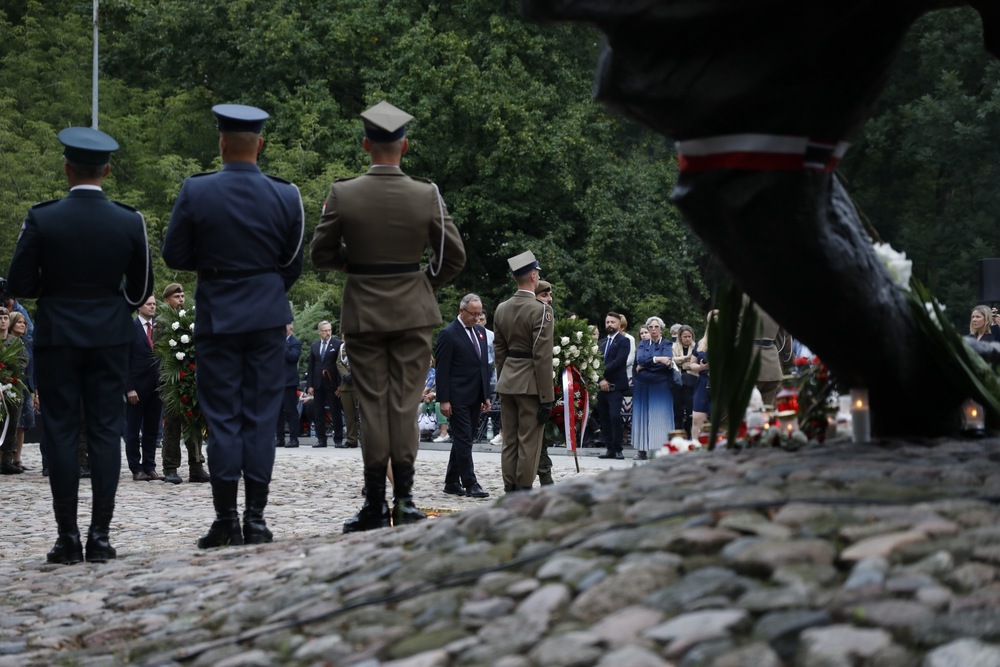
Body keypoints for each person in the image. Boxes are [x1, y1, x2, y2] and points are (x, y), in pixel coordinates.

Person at [311, 100, 465, 532]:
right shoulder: (426, 193)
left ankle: (376, 504)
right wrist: (419, 283)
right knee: (404, 404)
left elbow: (321, 253)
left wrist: (355, 268)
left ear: (366, 145)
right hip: (413, 312)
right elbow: (453, 256)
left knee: (374, 408)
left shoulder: (344, 192)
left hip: (363, 311)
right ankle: (407, 500)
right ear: (405, 145)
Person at [8, 126, 153, 564]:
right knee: (108, 431)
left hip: (58, 336)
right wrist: (109, 303)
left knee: (61, 432)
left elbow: (18, 283)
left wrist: (55, 290)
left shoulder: (43, 217)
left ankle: (67, 538)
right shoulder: (129, 220)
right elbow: (141, 286)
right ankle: (101, 537)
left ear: (67, 168)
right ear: (106, 170)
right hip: (109, 336)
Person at [163, 104, 305, 549]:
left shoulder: (197, 190)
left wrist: (217, 269)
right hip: (266, 317)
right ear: (260, 144)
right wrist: (262, 284)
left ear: (221, 142)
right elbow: (292, 262)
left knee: (223, 418)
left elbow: (174, 255)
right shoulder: (286, 195)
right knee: (260, 419)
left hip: (218, 315)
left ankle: (225, 518)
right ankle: (256, 520)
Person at [494, 251, 554, 492]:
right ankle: (523, 489)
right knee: (529, 441)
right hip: (530, 384)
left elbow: (499, 350)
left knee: (510, 440)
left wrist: (504, 377)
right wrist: (546, 397)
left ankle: (510, 487)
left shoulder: (501, 308)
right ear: (532, 275)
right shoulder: (541, 310)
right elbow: (542, 356)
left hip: (507, 381)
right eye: (537, 273)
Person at [435, 294, 491, 499]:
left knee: (462, 439)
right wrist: (444, 399)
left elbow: (483, 366)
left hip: (476, 396)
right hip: (457, 397)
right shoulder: (448, 334)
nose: (477, 318)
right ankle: (470, 482)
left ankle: (451, 481)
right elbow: (442, 369)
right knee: (464, 439)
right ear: (462, 311)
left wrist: (486, 395)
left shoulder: (481, 332)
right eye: (473, 314)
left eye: (479, 314)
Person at [157, 283, 209, 483]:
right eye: (176, 296)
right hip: (171, 381)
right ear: (167, 299)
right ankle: (170, 467)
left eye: (182, 296)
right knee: (172, 425)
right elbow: (161, 353)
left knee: (194, 421)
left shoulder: (188, 319)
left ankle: (197, 465)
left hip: (190, 377)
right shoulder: (162, 322)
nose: (181, 299)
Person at [124, 295, 162, 482]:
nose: (152, 307)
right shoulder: (130, 328)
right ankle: (136, 467)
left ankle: (150, 465)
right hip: (137, 389)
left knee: (152, 430)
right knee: (133, 430)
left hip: (156, 388)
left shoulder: (158, 328)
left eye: (154, 304)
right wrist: (129, 388)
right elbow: (123, 361)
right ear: (139, 306)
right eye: (149, 304)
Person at [632, 316, 675, 460]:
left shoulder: (667, 343)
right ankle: (641, 451)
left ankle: (662, 451)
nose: (653, 329)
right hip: (642, 384)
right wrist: (658, 359)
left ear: (661, 329)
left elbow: (667, 362)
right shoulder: (643, 344)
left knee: (661, 416)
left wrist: (647, 365)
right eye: (650, 327)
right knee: (642, 416)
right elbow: (640, 360)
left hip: (661, 383)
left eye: (656, 327)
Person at [597, 312, 629, 460]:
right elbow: (594, 361)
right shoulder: (600, 342)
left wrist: (602, 371)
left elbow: (619, 361)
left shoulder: (624, 341)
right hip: (601, 385)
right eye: (607, 322)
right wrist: (600, 379)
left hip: (615, 385)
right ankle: (609, 448)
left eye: (612, 322)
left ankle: (618, 448)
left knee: (615, 416)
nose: (609, 324)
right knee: (604, 418)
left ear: (619, 324)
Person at [0, 311, 30, 475]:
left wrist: (7, 369)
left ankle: (7, 459)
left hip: (12, 389)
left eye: (5, 318)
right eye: (0, 319)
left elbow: (23, 361)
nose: (3, 321)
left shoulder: (15, 343)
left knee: (12, 423)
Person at [532, 279, 556, 485]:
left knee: (542, 437)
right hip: (533, 386)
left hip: (544, 386)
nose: (548, 300)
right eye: (544, 295)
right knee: (534, 437)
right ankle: (543, 478)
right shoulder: (538, 317)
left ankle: (544, 476)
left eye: (549, 296)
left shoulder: (548, 318)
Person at [306, 320, 343, 448]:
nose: (328, 333)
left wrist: (340, 385)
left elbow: (340, 366)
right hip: (318, 384)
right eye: (325, 330)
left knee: (335, 411)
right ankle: (321, 439)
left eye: (329, 330)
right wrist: (310, 385)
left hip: (332, 384)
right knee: (318, 412)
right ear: (319, 332)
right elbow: (311, 367)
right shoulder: (315, 346)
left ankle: (338, 439)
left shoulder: (338, 344)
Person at [690, 311, 717, 442]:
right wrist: (702, 367)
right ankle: (695, 448)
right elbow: (692, 365)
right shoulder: (701, 343)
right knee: (697, 418)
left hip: (721, 383)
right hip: (703, 382)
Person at [276, 322, 303, 449]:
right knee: (277, 412)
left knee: (291, 411)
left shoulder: (295, 342)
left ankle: (294, 439)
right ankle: (279, 438)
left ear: (290, 329)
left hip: (289, 383)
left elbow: (293, 357)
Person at [672, 324, 698, 438]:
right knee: (677, 410)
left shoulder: (697, 347)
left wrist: (683, 362)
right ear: (680, 337)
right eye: (685, 336)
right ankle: (677, 434)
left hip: (692, 380)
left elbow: (696, 363)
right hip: (678, 381)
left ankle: (690, 435)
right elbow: (673, 361)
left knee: (690, 410)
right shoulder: (674, 347)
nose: (687, 339)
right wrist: (687, 359)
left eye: (689, 336)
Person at [335, 336, 361, 448]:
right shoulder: (342, 348)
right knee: (349, 415)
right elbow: (339, 362)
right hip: (346, 386)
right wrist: (345, 375)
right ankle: (351, 439)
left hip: (359, 385)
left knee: (360, 415)